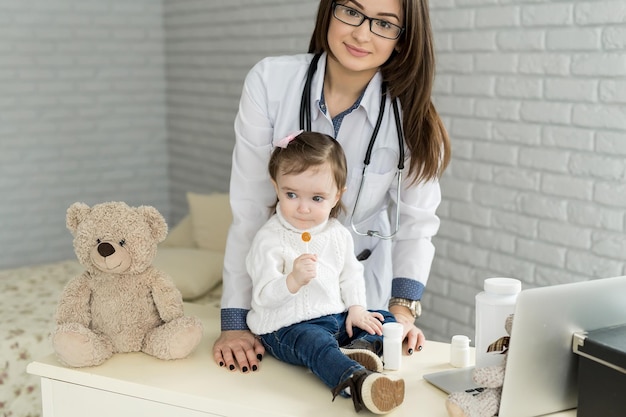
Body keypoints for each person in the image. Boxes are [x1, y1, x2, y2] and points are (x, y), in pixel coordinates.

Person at [213, 0, 451, 375]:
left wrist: (402, 310)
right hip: (283, 293)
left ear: (403, 40)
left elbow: (417, 224)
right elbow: (250, 210)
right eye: (352, 12)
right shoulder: (271, 81)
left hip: (360, 289)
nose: (361, 33)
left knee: (375, 368)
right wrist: (234, 323)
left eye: (384, 24)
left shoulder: (412, 114)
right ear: (329, 11)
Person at [246, 131, 404, 414]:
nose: (303, 207)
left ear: (337, 195)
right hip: (287, 326)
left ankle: (359, 347)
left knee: (384, 318)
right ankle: (360, 383)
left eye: (317, 198)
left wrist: (357, 309)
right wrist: (291, 281)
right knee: (315, 343)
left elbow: (351, 274)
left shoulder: (337, 234)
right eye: (291, 194)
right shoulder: (269, 239)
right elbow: (262, 297)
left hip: (334, 317)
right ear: (276, 186)